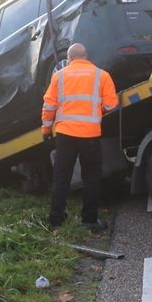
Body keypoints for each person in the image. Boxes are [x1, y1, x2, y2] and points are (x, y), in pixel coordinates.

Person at [42, 42, 118, 230]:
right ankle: (89, 220)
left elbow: (49, 106)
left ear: (69, 59)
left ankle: (56, 220)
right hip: (90, 135)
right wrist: (96, 110)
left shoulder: (59, 76)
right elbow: (111, 105)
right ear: (86, 57)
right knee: (91, 178)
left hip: (65, 135)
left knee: (62, 178)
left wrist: (46, 130)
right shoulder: (102, 75)